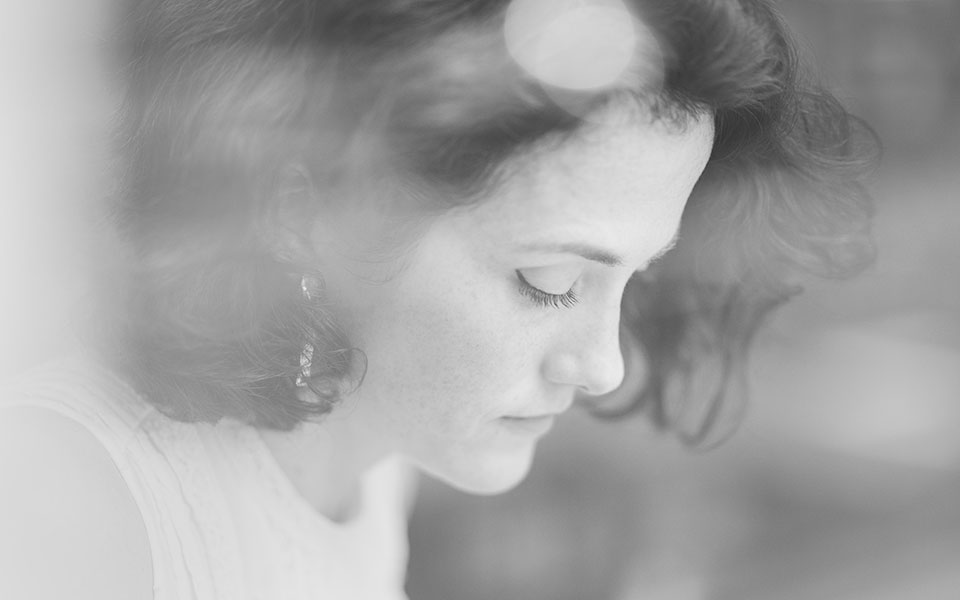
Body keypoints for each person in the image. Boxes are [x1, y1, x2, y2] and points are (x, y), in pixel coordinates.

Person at [0, 0, 875, 598]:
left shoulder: (380, 460)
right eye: (551, 282)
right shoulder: (69, 504)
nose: (603, 366)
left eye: (635, 278)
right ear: (309, 206)